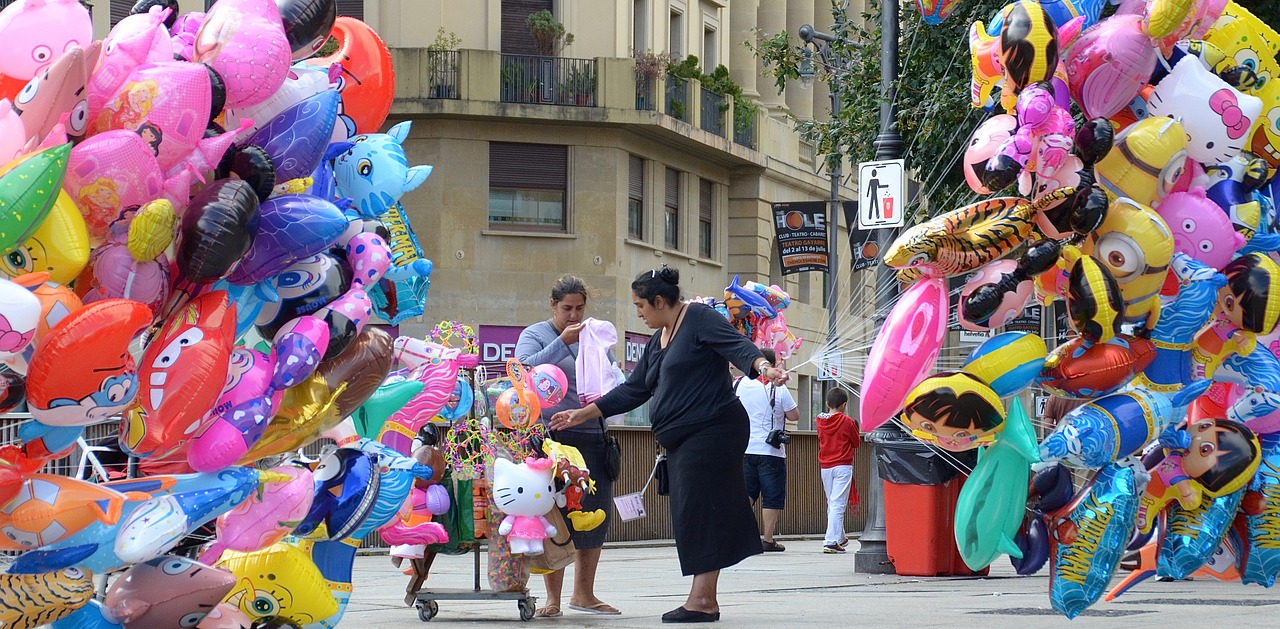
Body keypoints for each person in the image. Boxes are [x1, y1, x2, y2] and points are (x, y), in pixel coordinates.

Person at [550, 267, 790, 624]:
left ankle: (703, 600)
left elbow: (737, 345)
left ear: (659, 301)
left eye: (640, 306)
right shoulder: (658, 338)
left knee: (701, 510)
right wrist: (583, 413)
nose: (639, 313)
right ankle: (703, 598)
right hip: (684, 439)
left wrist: (762, 366)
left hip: (714, 431)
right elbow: (635, 388)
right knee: (691, 512)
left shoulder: (699, 318)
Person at [514, 275, 621, 618]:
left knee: (593, 512)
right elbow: (523, 373)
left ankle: (584, 593)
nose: (574, 316)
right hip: (553, 436)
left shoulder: (595, 334)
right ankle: (553, 597)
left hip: (592, 433)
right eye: (566, 309)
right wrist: (562, 341)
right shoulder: (535, 334)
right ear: (553, 305)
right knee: (555, 516)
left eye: (579, 308)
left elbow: (612, 377)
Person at [736, 347, 798, 552]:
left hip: (744, 448)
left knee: (747, 492)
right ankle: (768, 539)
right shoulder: (778, 387)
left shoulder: (738, 384)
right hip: (771, 452)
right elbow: (794, 416)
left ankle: (737, 533)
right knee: (772, 495)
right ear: (773, 365)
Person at [815, 387, 861, 554]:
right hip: (842, 465)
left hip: (825, 466)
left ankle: (840, 537)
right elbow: (856, 442)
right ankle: (830, 541)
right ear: (844, 405)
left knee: (832, 503)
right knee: (838, 504)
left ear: (827, 403)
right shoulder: (847, 422)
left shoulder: (819, 420)